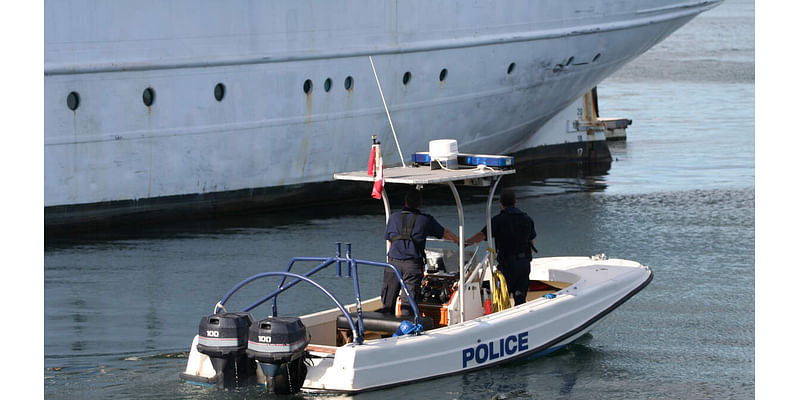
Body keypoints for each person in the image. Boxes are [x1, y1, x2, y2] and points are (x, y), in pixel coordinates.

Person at [382, 188, 459, 315]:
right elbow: (444, 233)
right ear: (419, 204)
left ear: (405, 202)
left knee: (388, 301)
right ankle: (407, 331)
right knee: (408, 302)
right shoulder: (425, 220)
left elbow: (390, 241)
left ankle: (385, 332)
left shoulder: (393, 218)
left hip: (392, 264)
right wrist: (458, 240)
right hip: (412, 266)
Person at [465, 189, 536, 306]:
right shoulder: (527, 219)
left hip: (507, 265)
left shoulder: (497, 221)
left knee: (503, 297)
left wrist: (466, 243)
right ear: (515, 202)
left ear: (500, 202)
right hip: (524, 263)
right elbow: (532, 241)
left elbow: (482, 236)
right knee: (520, 297)